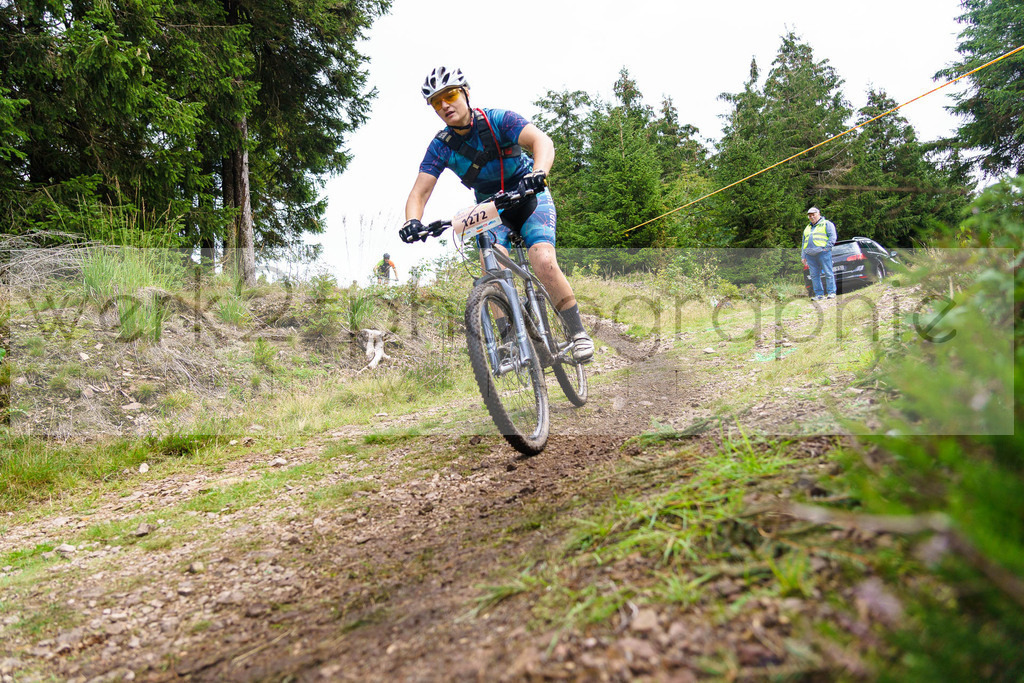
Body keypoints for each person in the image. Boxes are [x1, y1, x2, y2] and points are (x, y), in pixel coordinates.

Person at [399, 66, 593, 363]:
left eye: (450, 95)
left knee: (542, 261)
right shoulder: (441, 146)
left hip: (528, 194)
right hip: (490, 209)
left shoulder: (498, 120)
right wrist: (412, 221)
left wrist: (538, 173)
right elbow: (419, 192)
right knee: (491, 272)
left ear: (465, 93)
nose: (445, 105)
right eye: (436, 102)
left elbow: (542, 141)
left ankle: (577, 332)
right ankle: (509, 341)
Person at [801, 206, 837, 300]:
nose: (811, 217)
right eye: (809, 215)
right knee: (814, 275)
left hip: (823, 253)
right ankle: (819, 295)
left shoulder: (826, 224)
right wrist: (803, 256)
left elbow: (832, 237)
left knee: (828, 272)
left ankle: (831, 292)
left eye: (813, 214)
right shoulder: (807, 228)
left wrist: (826, 249)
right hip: (810, 255)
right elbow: (804, 242)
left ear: (819, 214)